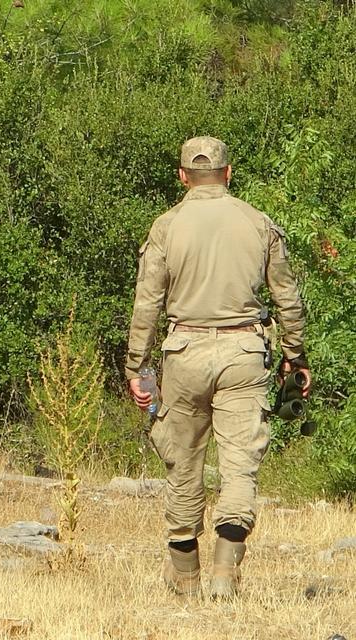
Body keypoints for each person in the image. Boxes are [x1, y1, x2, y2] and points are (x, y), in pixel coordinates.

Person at [126, 136, 310, 599]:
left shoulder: (166, 227)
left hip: (184, 351)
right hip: (243, 354)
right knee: (239, 467)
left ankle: (186, 578)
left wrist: (136, 365)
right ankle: (225, 577)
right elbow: (287, 297)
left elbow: (147, 302)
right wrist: (296, 356)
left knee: (183, 464)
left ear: (183, 177)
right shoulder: (257, 222)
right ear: (228, 174)